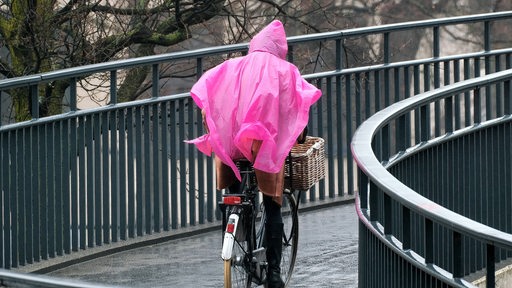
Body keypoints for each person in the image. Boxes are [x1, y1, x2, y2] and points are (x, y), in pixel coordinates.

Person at [186, 20, 321, 287]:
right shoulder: (285, 71)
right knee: (272, 206)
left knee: (235, 194)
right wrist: (298, 135)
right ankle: (273, 272)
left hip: (233, 147)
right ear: (278, 48)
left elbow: (211, 100)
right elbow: (296, 110)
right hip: (263, 151)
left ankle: (236, 228)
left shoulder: (232, 67)